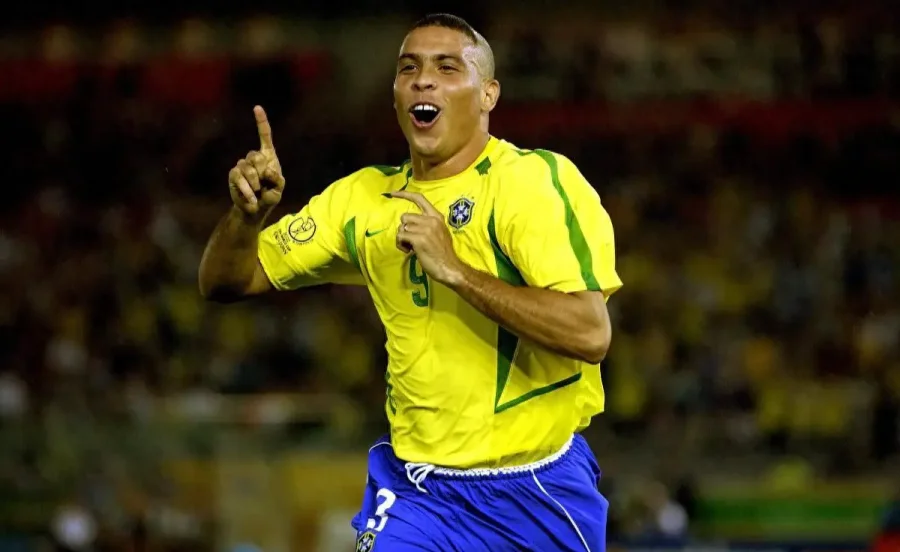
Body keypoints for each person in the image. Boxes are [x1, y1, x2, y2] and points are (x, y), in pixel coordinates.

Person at [199, 13, 622, 552]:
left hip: (536, 490)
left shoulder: (531, 184)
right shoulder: (361, 201)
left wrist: (457, 271)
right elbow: (226, 281)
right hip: (418, 494)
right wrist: (247, 217)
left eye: (447, 68)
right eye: (409, 69)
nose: (423, 80)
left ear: (488, 94)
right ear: (396, 96)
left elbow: (590, 332)